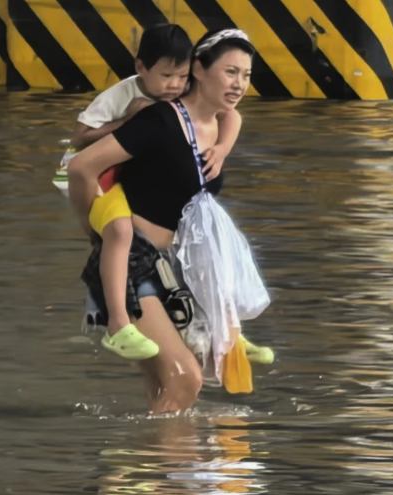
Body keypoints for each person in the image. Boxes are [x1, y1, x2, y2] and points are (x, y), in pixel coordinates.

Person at [69, 29, 268, 413]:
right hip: (132, 264)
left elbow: (232, 121)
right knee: (184, 378)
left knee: (165, 387)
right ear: (198, 68)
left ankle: (150, 468)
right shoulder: (159, 120)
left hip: (172, 269)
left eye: (246, 75)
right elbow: (81, 167)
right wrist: (91, 227)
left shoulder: (220, 127)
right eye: (230, 72)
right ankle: (156, 464)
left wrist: (224, 150)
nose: (239, 83)